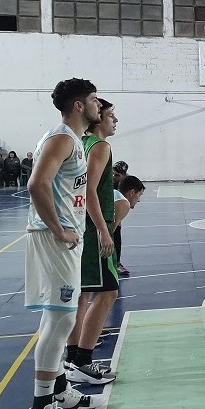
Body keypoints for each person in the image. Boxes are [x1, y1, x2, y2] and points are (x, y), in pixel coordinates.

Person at [23, 78, 103, 409]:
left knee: (54, 318)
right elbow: (37, 184)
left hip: (65, 238)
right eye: (93, 101)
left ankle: (58, 392)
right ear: (77, 106)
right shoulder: (62, 139)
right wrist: (58, 230)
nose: (98, 106)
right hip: (55, 240)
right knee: (59, 320)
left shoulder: (69, 140)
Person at [65, 99, 119, 386]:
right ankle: (82, 360)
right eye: (110, 115)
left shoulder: (84, 143)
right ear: (98, 119)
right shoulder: (99, 146)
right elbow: (90, 190)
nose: (114, 120)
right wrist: (103, 229)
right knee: (108, 292)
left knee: (83, 294)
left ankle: (73, 358)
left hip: (83, 226)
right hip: (93, 227)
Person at [111, 160, 130, 276]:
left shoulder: (125, 184)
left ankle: (117, 262)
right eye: (113, 173)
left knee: (117, 231)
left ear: (123, 176)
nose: (114, 176)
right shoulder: (107, 179)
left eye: (117, 175)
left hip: (116, 207)